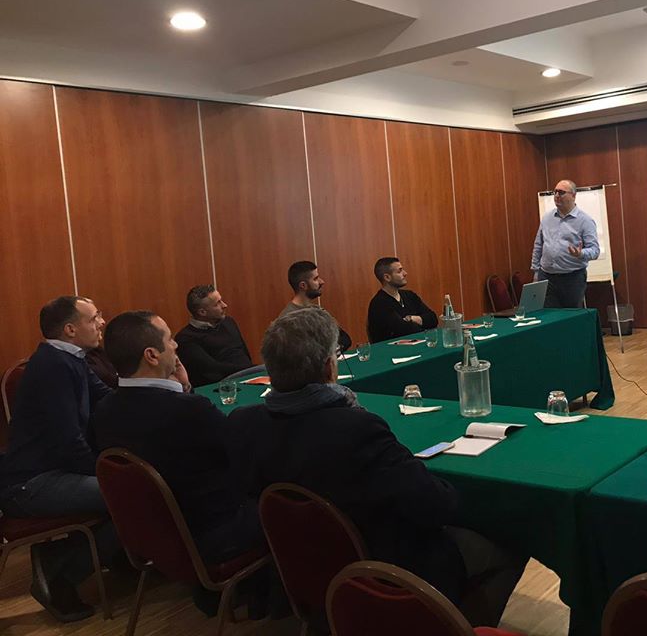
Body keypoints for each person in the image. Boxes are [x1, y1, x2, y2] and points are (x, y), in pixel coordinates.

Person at [228, 308, 526, 627]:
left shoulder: (244, 424)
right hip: (381, 568)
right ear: (329, 366)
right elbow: (436, 505)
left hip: (301, 568)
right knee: (511, 544)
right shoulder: (356, 430)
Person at [94, 311, 262, 566]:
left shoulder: (104, 410)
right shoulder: (189, 411)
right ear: (152, 355)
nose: (175, 345)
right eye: (169, 339)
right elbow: (243, 457)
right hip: (212, 534)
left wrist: (184, 389)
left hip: (154, 539)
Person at [0, 296, 114, 622]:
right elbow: (69, 442)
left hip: (55, 472)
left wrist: (153, 395)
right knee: (132, 494)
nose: (101, 323)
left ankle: (60, 555)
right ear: (70, 330)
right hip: (31, 483)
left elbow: (107, 399)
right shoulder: (53, 366)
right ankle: (60, 576)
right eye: (94, 318)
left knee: (130, 486)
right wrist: (105, 472)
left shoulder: (72, 359)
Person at [530, 179, 600, 308]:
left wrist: (581, 254)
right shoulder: (547, 218)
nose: (557, 195)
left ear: (573, 195)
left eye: (561, 192)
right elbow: (538, 245)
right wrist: (535, 271)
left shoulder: (585, 221)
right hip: (547, 277)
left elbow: (595, 251)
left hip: (572, 279)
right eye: (555, 192)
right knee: (549, 316)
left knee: (571, 316)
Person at [175, 285, 253, 387]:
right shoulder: (185, 339)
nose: (224, 305)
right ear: (202, 312)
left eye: (221, 300)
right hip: (221, 386)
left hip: (250, 376)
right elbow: (213, 370)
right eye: (217, 304)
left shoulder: (228, 322)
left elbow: (244, 353)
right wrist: (250, 369)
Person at [279, 260, 351, 351]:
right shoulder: (287, 320)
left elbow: (344, 340)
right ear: (303, 285)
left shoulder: (318, 310)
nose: (322, 282)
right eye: (315, 279)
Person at [366, 257, 439, 343]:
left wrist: (413, 318)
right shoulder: (379, 303)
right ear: (387, 277)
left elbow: (433, 319)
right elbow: (405, 330)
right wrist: (422, 323)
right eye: (399, 271)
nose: (405, 273)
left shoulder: (410, 295)